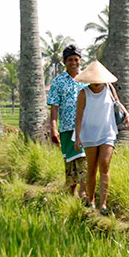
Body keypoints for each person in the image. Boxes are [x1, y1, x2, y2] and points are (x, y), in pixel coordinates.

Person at [73, 60, 129, 215]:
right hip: (89, 134)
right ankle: (91, 200)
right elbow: (78, 117)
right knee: (91, 168)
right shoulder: (83, 93)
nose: (97, 82)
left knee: (104, 165)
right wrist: (77, 137)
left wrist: (127, 115)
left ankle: (103, 204)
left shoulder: (109, 88)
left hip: (107, 132)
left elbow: (117, 103)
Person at [47, 45, 89, 198]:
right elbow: (54, 108)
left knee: (84, 159)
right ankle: (72, 193)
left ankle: (84, 192)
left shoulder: (87, 79)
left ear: (80, 61)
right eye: (70, 60)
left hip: (86, 128)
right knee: (70, 161)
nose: (74, 62)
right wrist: (53, 129)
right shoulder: (58, 82)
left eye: (76, 59)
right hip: (66, 128)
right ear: (65, 62)